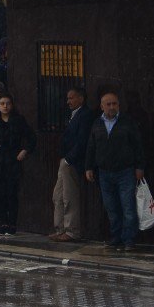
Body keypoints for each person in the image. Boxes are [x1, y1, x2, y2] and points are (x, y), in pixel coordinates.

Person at [85, 92, 145, 252]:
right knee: (111, 208)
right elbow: (91, 146)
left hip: (125, 172)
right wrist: (88, 167)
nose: (112, 107)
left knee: (128, 207)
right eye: (108, 104)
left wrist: (139, 167)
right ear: (102, 106)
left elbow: (137, 145)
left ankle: (129, 240)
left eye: (115, 104)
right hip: (104, 173)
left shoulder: (127, 122)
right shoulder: (97, 124)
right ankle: (116, 237)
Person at [0, 93, 36, 236]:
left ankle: (12, 223)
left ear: (12, 105)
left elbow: (31, 137)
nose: (5, 106)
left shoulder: (18, 120)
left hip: (13, 160)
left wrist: (24, 151)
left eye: (8, 103)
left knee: (12, 193)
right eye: (2, 104)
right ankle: (3, 222)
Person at [50, 87, 94, 242]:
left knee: (69, 196)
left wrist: (69, 159)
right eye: (67, 98)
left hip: (72, 161)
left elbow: (82, 140)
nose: (68, 101)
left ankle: (72, 230)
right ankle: (60, 228)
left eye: (71, 98)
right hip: (66, 160)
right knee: (58, 195)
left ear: (81, 98)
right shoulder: (73, 115)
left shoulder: (85, 115)